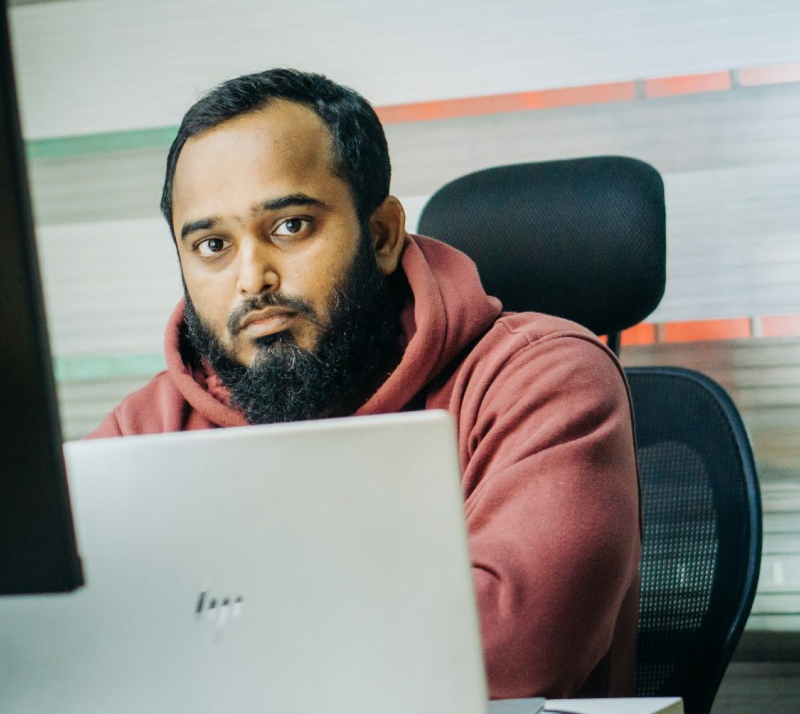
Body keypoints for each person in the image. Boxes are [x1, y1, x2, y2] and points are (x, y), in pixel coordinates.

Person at [89, 68, 641, 700]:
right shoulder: (146, 427)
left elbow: (513, 649)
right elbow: (51, 635)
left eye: (290, 226)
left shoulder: (544, 378)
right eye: (213, 245)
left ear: (380, 235)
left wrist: (195, 634)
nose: (252, 279)